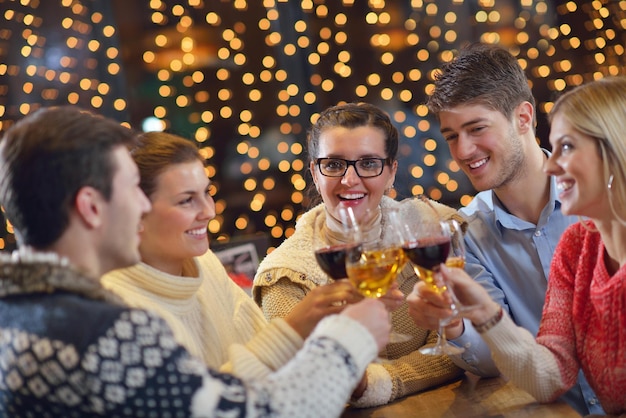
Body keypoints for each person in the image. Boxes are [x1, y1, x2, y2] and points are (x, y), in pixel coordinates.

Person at [0, 106, 391, 417]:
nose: (140, 206)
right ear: (90, 206)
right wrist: (349, 339)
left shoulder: (16, 312)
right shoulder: (103, 329)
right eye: (129, 190)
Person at [406, 42, 603, 415]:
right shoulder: (466, 232)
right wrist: (454, 325)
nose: (463, 150)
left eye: (476, 128)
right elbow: (493, 357)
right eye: (451, 136)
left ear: (524, 118)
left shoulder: (599, 196)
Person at [252, 102, 465, 408]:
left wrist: (371, 381)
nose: (350, 180)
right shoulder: (285, 275)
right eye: (334, 164)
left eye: (368, 164)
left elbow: (455, 352)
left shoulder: (432, 228)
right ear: (315, 173)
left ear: (391, 171)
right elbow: (311, 385)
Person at [438, 75, 626, 416]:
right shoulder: (576, 247)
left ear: (615, 150)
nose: (552, 164)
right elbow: (551, 374)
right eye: (452, 136)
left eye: (566, 147)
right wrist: (484, 313)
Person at [102, 131, 361, 373]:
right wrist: (291, 332)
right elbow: (204, 404)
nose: (208, 212)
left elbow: (272, 370)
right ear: (133, 211)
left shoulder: (205, 263)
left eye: (207, 193)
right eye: (186, 200)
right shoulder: (118, 310)